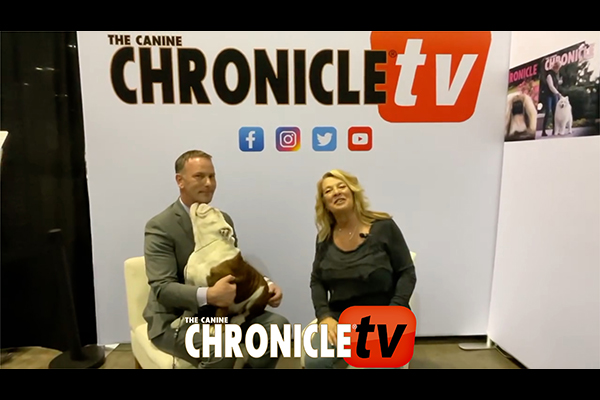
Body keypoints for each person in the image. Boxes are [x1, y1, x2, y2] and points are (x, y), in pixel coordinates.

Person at [143, 149, 288, 369]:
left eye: (212, 176)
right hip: (177, 319)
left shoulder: (222, 219)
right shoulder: (160, 227)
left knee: (278, 327)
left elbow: (234, 265)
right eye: (199, 176)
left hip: (223, 316)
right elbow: (162, 288)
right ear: (180, 181)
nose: (209, 183)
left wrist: (266, 285)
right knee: (222, 347)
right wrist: (209, 295)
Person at [305, 169, 416, 369]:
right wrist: (324, 316)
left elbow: (407, 273)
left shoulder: (384, 227)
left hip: (384, 315)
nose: (336, 192)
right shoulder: (324, 238)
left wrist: (394, 312)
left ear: (353, 192)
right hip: (341, 318)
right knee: (316, 360)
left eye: (341, 186)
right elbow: (317, 281)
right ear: (324, 203)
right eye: (328, 191)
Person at [541, 61, 563, 136]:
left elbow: (556, 84)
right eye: (558, 68)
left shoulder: (556, 75)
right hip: (548, 95)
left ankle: (555, 130)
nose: (559, 69)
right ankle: (543, 131)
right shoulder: (549, 75)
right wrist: (558, 93)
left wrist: (559, 82)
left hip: (554, 95)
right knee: (548, 111)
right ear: (556, 67)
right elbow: (551, 86)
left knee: (555, 112)